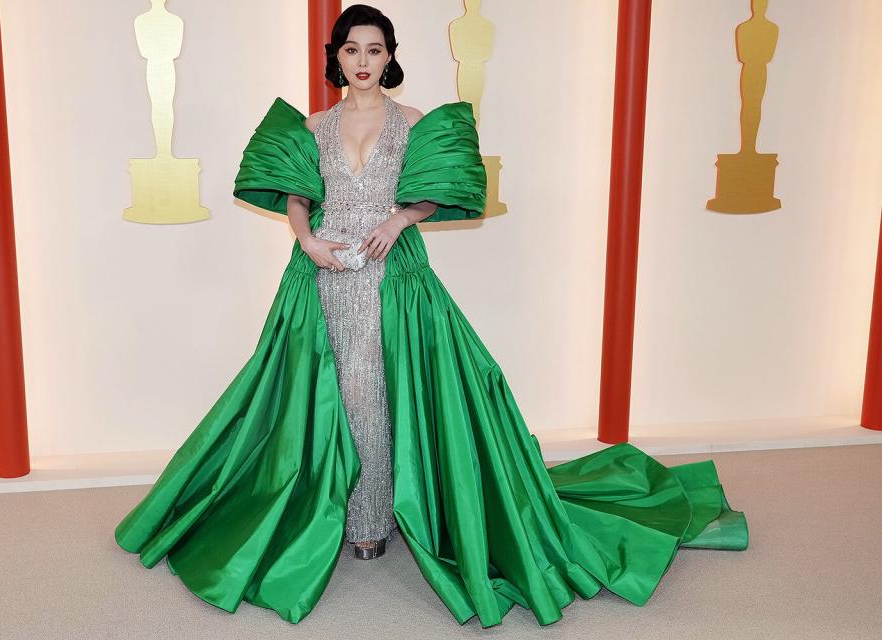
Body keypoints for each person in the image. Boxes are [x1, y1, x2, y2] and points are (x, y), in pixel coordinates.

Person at [114, 4, 749, 628]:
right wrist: (306, 241)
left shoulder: (415, 122)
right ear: (336, 57)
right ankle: (356, 518)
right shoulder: (312, 127)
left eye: (376, 50)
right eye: (351, 49)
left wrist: (399, 217)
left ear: (390, 58)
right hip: (326, 275)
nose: (363, 61)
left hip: (397, 278)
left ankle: (384, 516)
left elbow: (440, 191)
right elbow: (297, 196)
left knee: (396, 391)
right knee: (336, 394)